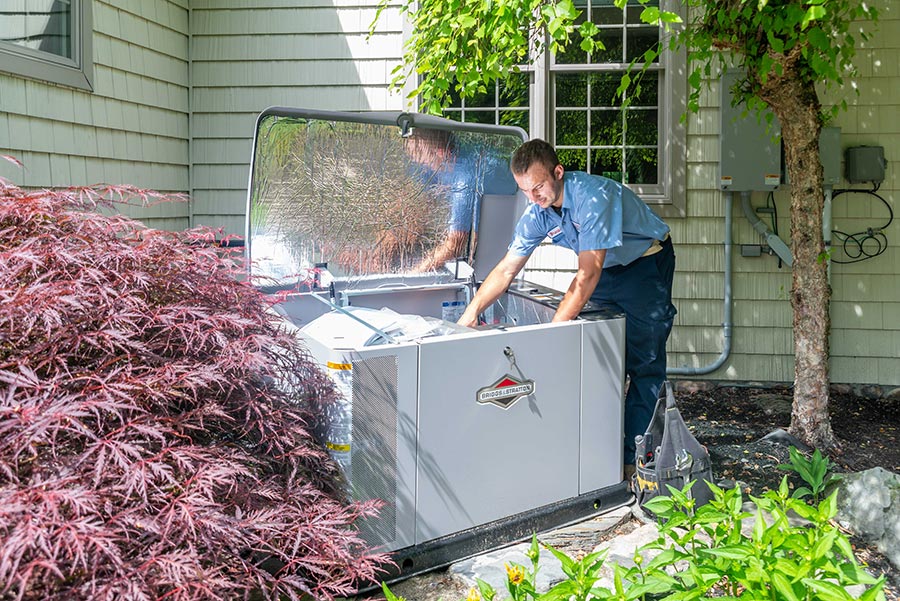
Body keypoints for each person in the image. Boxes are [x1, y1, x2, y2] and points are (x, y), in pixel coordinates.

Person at [457, 139, 676, 479]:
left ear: (558, 173)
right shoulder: (538, 211)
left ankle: (637, 463)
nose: (534, 197)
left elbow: (587, 273)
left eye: (539, 186)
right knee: (602, 360)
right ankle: (601, 453)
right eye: (525, 190)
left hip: (644, 266)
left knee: (644, 364)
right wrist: (468, 316)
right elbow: (505, 270)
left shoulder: (592, 197)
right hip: (604, 272)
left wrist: (550, 333)